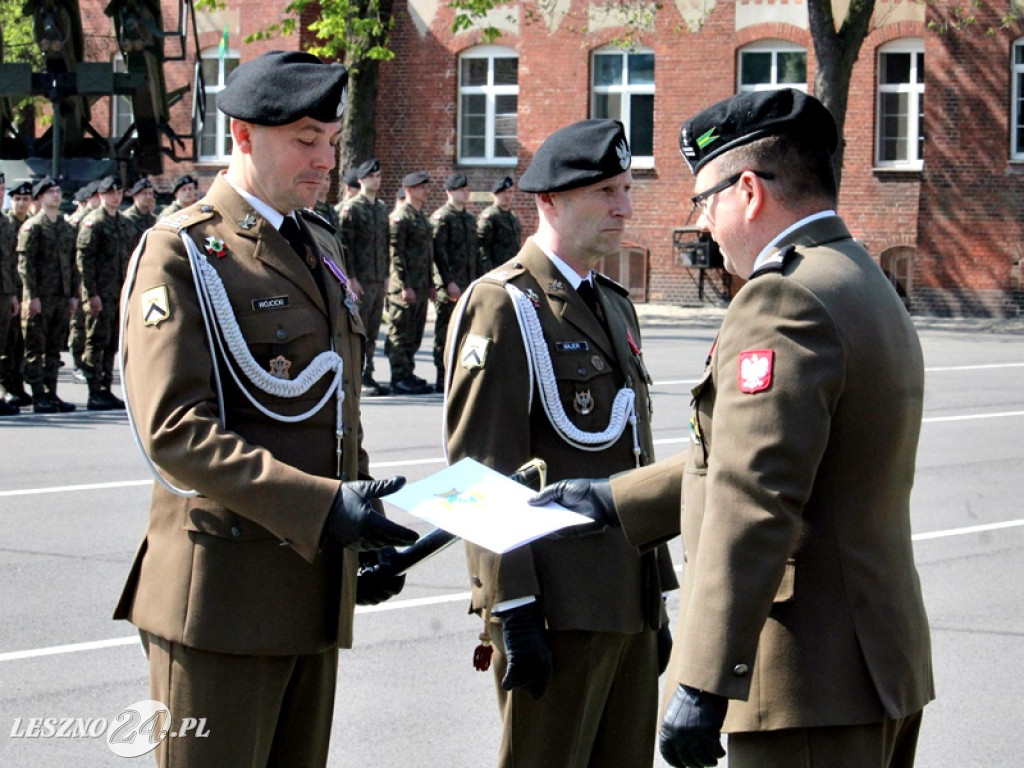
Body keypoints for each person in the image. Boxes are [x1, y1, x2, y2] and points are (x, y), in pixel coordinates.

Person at [534, 89, 934, 768]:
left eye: (705, 201)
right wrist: (611, 500)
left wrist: (702, 680)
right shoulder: (856, 275)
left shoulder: (782, 297)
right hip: (874, 666)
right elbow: (770, 454)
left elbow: (758, 496)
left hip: (804, 679)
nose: (706, 226)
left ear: (747, 192)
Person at [114, 50, 419, 768]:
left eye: (332, 140)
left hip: (310, 591)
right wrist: (322, 510)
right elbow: (174, 433)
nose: (325, 158)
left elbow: (333, 402)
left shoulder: (316, 241)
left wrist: (358, 527)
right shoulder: (182, 252)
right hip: (222, 602)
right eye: (305, 141)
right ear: (245, 136)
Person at [444, 119, 678, 768]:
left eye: (627, 189)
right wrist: (512, 604)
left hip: (625, 599)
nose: (625, 208)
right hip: (556, 605)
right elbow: (474, 470)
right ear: (548, 201)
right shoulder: (504, 303)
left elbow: (636, 454)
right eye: (605, 191)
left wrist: (656, 594)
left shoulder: (612, 303)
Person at [17, 177, 79, 413]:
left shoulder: (65, 228)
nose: (56, 195)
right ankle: (38, 394)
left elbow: (73, 264)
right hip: (40, 296)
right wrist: (31, 296)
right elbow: (25, 264)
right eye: (50, 192)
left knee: (54, 349)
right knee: (35, 348)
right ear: (40, 198)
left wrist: (73, 295)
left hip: (60, 297)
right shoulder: (32, 227)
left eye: (57, 191)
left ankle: (51, 393)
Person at [77, 175, 133, 410]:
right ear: (100, 196)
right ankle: (93, 390)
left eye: (118, 192)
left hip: (118, 292)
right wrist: (91, 293)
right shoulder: (94, 222)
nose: (115, 196)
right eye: (110, 193)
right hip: (100, 292)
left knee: (111, 343)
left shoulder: (123, 222)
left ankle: (106, 388)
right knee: (95, 342)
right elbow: (84, 260)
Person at [338, 158, 390, 395]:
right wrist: (351, 277)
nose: (375, 180)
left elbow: (385, 244)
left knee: (372, 330)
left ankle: (367, 374)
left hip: (378, 278)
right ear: (360, 180)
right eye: (371, 176)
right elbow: (345, 245)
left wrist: (387, 275)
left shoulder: (380, 208)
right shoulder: (352, 208)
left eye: (378, 176)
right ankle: (355, 375)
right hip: (360, 280)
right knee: (358, 330)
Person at [386, 170, 434, 395]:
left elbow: (427, 254)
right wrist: (404, 285)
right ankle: (398, 377)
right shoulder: (401, 217)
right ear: (409, 190)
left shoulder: (421, 217)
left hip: (421, 284)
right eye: (422, 186)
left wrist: (431, 284)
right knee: (401, 331)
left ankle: (408, 372)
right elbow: (396, 253)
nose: (427, 190)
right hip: (405, 287)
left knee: (415, 332)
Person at [428, 172, 475, 392]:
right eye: (461, 190)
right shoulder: (442, 218)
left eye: (467, 189)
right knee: (445, 333)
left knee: (466, 332)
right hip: (450, 287)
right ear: (449, 192)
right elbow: (438, 253)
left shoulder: (468, 219)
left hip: (468, 283)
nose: (466, 193)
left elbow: (474, 254)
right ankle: (442, 376)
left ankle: (460, 376)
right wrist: (448, 282)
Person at [1, 179, 34, 409]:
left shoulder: (19, 224)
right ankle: (6, 388)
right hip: (8, 289)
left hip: (12, 290)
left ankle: (15, 385)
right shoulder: (8, 222)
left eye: (26, 199)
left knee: (16, 343)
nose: (21, 203)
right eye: (17, 198)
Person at [66, 180, 100, 382]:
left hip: (89, 279)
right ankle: (78, 362)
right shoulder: (79, 221)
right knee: (79, 324)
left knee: (89, 325)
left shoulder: (94, 219)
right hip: (78, 279)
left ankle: (88, 363)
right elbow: (73, 255)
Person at [0, 173, 20, 415]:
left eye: (3, 188)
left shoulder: (4, 222)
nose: (1, 192)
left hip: (4, 292)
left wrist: (13, 293)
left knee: (3, 346)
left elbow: (10, 261)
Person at [476, 175, 521, 274]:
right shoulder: (490, 216)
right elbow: (481, 247)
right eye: (503, 192)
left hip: (512, 269)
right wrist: (489, 271)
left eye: (510, 192)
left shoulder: (512, 216)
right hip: (496, 270)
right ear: (495, 194)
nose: (507, 196)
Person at [122, 178, 160, 251]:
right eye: (144, 193)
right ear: (135, 196)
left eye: (150, 193)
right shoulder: (126, 219)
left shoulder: (154, 219)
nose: (148, 197)